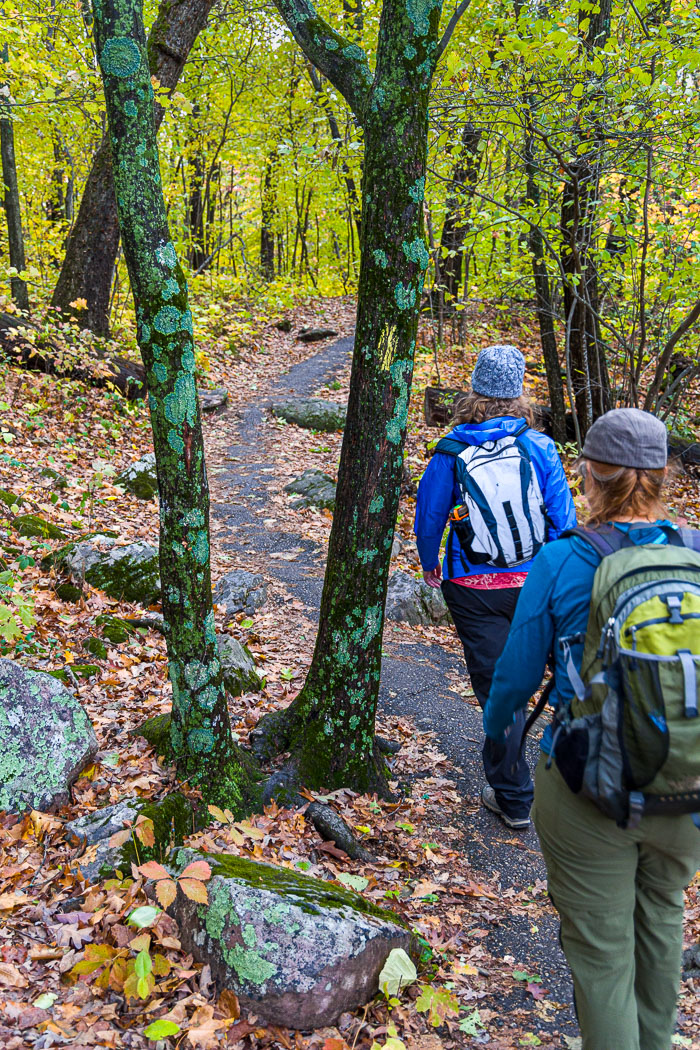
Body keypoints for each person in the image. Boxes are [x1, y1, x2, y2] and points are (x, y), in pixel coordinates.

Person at [483, 408, 700, 1050]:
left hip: (589, 784)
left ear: (588, 476)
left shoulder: (562, 559)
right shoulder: (693, 553)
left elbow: (515, 679)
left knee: (603, 955)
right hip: (686, 780)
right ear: (663, 476)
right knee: (661, 921)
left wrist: (498, 739)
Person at [414, 344, 576, 829]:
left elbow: (430, 516)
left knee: (501, 691)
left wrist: (429, 563)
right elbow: (563, 521)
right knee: (568, 679)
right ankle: (578, 785)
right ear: (519, 392)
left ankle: (514, 799)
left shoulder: (450, 450)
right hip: (537, 586)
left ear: (474, 390)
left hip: (472, 587)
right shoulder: (539, 447)